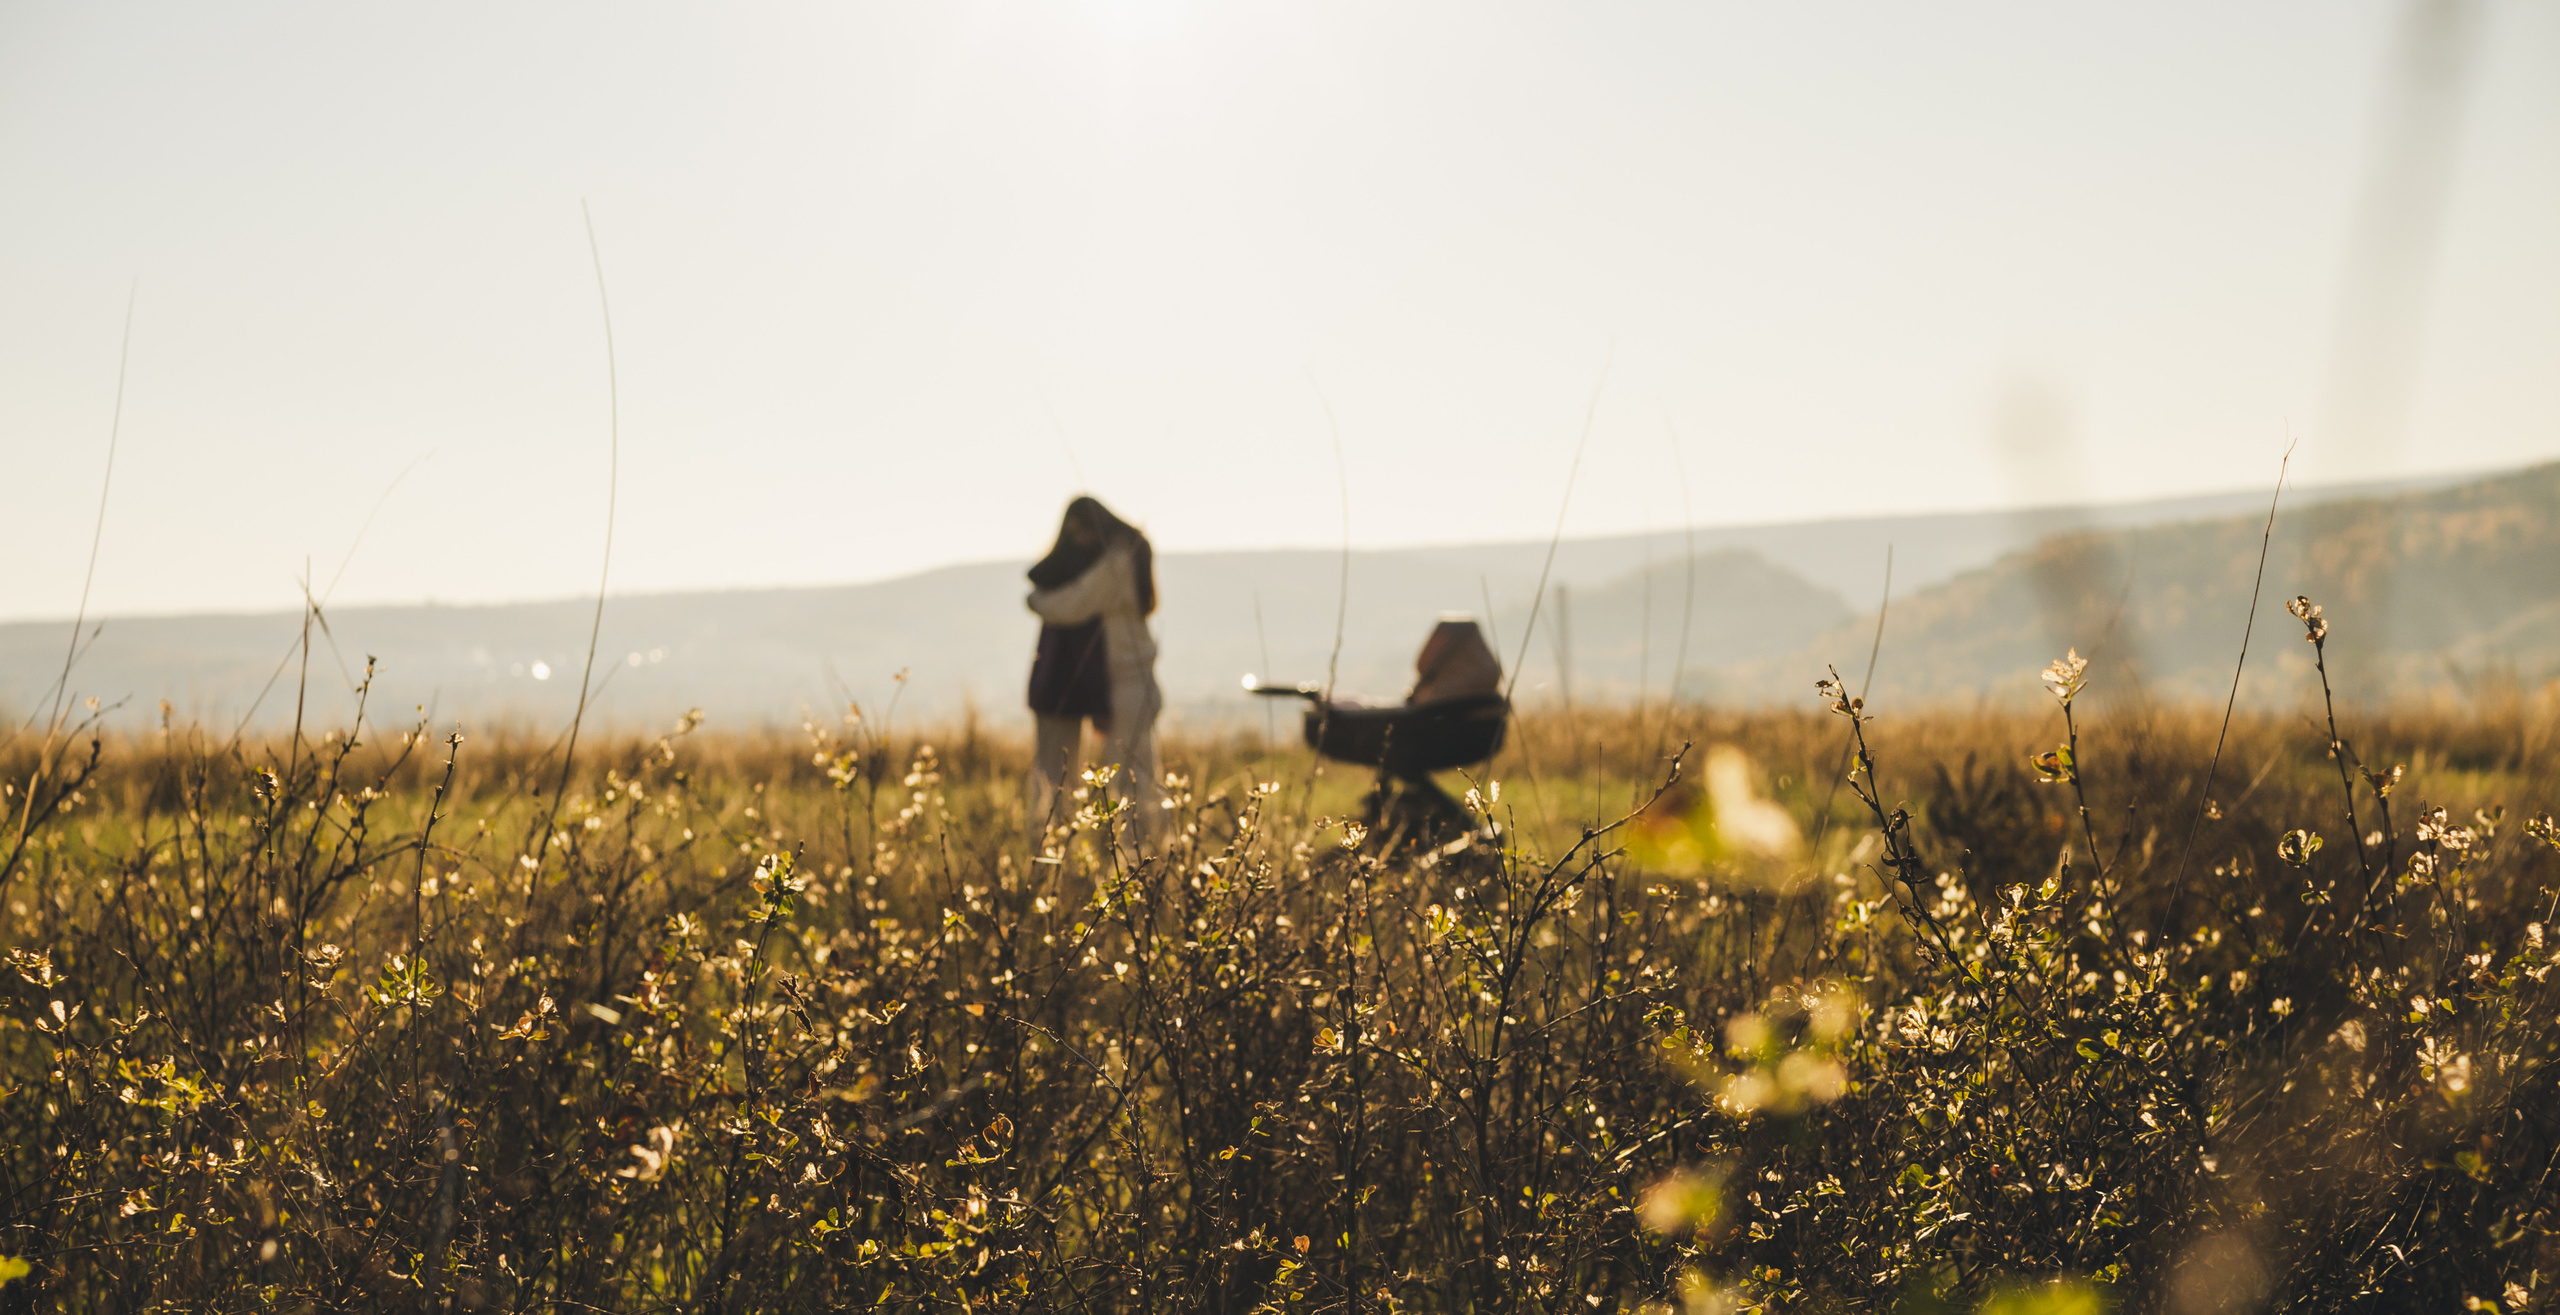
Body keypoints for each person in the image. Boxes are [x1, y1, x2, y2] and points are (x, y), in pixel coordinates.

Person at [1024, 496, 1163, 844]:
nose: (1079, 541)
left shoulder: (1117, 562)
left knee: (1130, 780)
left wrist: (1036, 601)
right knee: (1136, 776)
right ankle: (1142, 856)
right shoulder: (1131, 557)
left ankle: (1137, 858)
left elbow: (1075, 603)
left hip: (1126, 682)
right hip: (1133, 682)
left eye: (1080, 532)